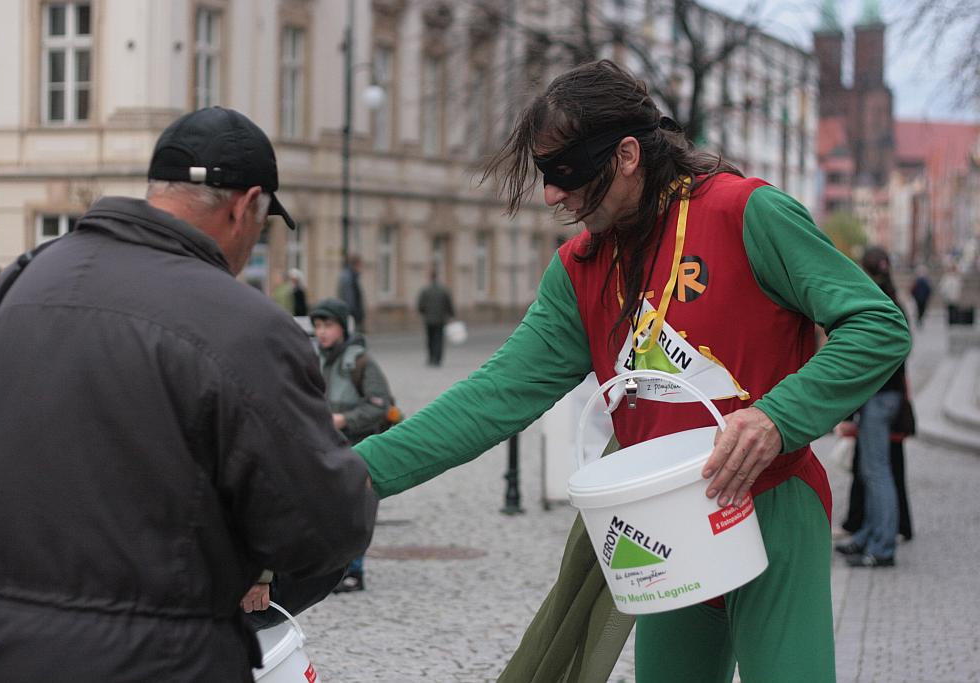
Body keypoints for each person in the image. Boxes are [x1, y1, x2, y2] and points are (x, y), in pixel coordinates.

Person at [354, 60, 910, 682]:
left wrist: (777, 419)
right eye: (545, 175)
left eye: (565, 172)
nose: (552, 195)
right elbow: (492, 397)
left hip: (773, 505)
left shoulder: (744, 212)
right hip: (666, 519)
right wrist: (356, 474)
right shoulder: (580, 269)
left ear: (625, 155)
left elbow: (877, 325)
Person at [0, 107, 378, 682]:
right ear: (243, 205)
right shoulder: (246, 325)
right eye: (262, 222)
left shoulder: (19, 283)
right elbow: (323, 530)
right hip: (159, 655)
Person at [309, 297, 394, 593]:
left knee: (353, 510)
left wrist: (345, 419)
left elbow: (380, 406)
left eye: (328, 325)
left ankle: (353, 572)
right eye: (318, 326)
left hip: (357, 446)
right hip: (321, 447)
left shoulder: (361, 362)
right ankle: (326, 570)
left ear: (343, 327)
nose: (321, 332)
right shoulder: (312, 358)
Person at [834, 246, 910, 567]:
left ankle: (882, 547)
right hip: (884, 397)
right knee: (870, 470)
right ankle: (867, 535)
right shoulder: (894, 300)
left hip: (879, 398)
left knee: (878, 473)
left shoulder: (875, 301)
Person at [416, 268, 455, 366]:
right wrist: (451, 315)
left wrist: (424, 313)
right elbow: (448, 304)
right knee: (439, 339)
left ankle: (431, 357)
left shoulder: (425, 290)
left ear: (430, 278)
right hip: (440, 319)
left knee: (430, 339)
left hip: (428, 319)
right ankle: (438, 359)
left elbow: (420, 305)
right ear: (437, 277)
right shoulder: (443, 290)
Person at [337, 254, 366, 333]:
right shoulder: (349, 277)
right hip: (351, 315)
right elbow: (349, 299)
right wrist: (354, 315)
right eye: (360, 264)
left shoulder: (351, 276)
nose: (361, 267)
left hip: (351, 315)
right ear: (356, 264)